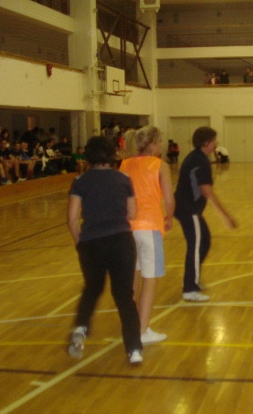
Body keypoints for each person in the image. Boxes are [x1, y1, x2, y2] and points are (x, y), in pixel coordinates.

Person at [67, 136, 143, 365]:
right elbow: (132, 213)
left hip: (92, 243)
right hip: (121, 241)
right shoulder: (123, 179)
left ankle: (81, 327)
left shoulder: (80, 181)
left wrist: (80, 243)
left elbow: (72, 218)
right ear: (111, 155)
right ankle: (134, 349)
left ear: (88, 156)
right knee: (124, 297)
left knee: (92, 288)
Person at [120, 126, 175, 345]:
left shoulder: (125, 164)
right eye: (160, 142)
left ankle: (130, 326)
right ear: (153, 144)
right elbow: (169, 199)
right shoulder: (160, 165)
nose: (162, 145)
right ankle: (141, 332)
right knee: (150, 279)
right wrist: (169, 217)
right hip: (149, 226)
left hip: (127, 227)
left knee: (132, 279)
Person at [174, 126, 237, 302]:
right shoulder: (200, 161)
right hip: (188, 210)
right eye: (214, 140)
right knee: (196, 246)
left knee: (204, 241)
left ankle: (191, 279)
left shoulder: (198, 157)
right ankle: (189, 288)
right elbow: (207, 191)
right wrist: (225, 216)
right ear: (206, 142)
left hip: (187, 209)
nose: (216, 143)